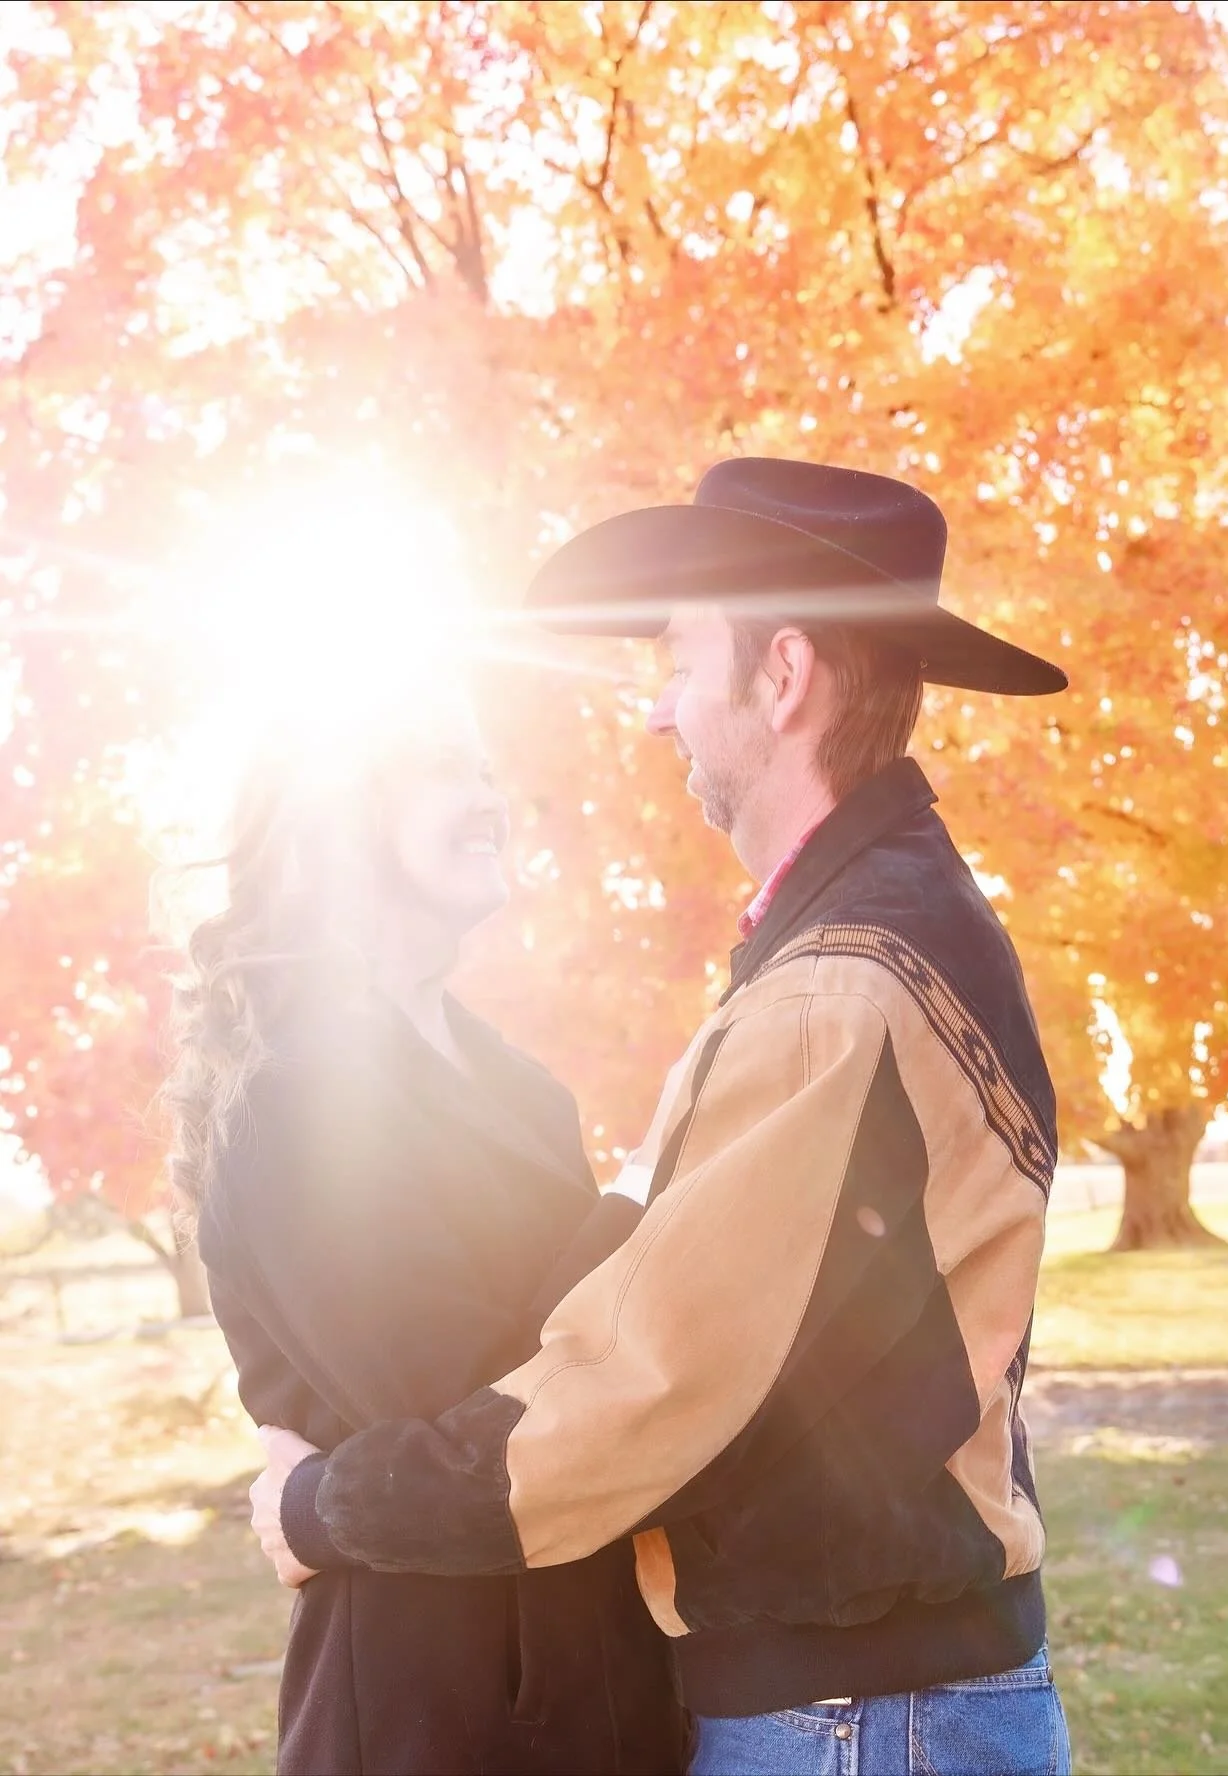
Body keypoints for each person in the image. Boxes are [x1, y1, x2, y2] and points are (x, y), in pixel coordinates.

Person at [248, 459, 1075, 1776]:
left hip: (855, 1714)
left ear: (783, 674)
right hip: (885, 1696)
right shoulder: (873, 935)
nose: (657, 711)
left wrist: (318, 1504)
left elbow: (639, 1388)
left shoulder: (837, 988)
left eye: (682, 661)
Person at [162, 696, 681, 1775]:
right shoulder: (293, 1106)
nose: (488, 799)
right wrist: (644, 1195)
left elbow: (606, 1383)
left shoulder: (525, 1090)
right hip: (432, 1712)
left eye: (485, 772)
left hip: (612, 1682)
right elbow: (469, 1406)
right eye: (444, 771)